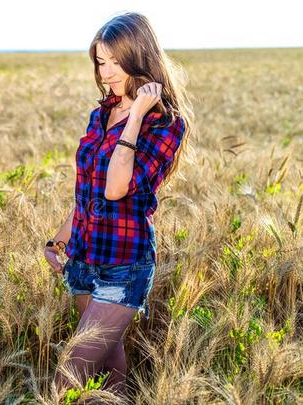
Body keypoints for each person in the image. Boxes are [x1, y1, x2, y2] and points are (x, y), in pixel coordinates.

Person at [43, 11, 195, 399]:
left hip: (123, 265)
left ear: (139, 59)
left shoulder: (164, 124)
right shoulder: (99, 114)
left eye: (116, 62)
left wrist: (135, 116)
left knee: (67, 376)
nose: (107, 72)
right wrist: (59, 241)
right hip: (82, 259)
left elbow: (115, 188)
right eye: (100, 61)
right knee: (111, 367)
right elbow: (88, 191)